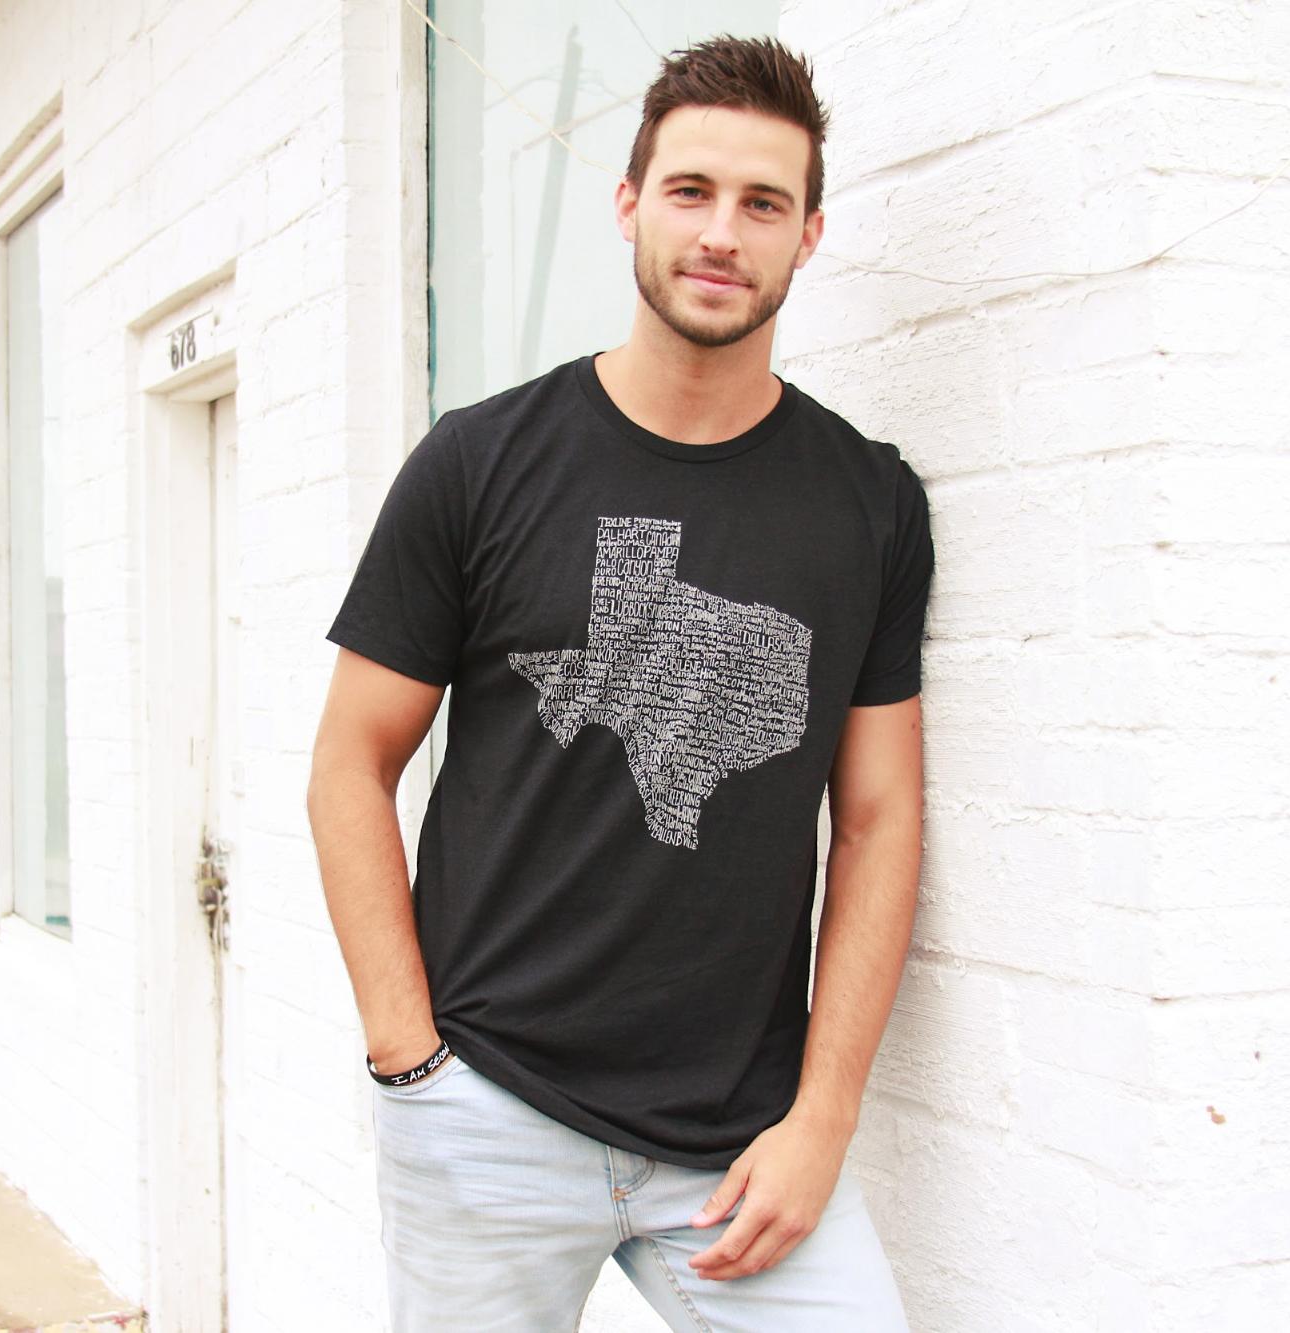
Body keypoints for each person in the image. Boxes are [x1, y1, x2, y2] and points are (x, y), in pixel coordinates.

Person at [306, 33, 932, 1332]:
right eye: (692, 190)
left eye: (765, 202)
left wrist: (825, 1114)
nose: (723, 231)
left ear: (810, 234)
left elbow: (878, 816)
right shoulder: (479, 466)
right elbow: (348, 764)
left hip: (741, 1136)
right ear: (629, 203)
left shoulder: (867, 501)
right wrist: (407, 1058)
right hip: (489, 1105)